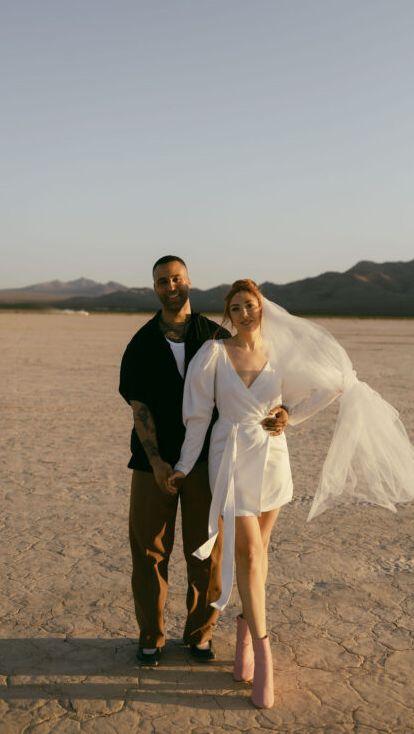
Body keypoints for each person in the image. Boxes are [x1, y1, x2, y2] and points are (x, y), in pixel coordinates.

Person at [169, 279, 414, 708]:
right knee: (250, 553)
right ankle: (265, 655)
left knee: (261, 552)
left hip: (272, 460)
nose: (244, 313)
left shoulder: (280, 355)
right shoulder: (213, 354)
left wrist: (290, 413)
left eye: (250, 305)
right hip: (229, 456)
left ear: (262, 309)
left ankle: (244, 636)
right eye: (236, 307)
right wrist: (182, 464)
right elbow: (196, 417)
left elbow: (332, 386)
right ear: (227, 314)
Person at [119, 255, 229, 667]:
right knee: (148, 552)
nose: (171, 286)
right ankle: (151, 636)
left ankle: (200, 634)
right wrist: (159, 462)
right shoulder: (142, 343)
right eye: (163, 281)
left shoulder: (216, 336)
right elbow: (139, 406)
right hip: (152, 465)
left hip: (204, 464)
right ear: (155, 288)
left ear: (188, 281)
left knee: (206, 551)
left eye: (177, 278)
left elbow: (242, 388)